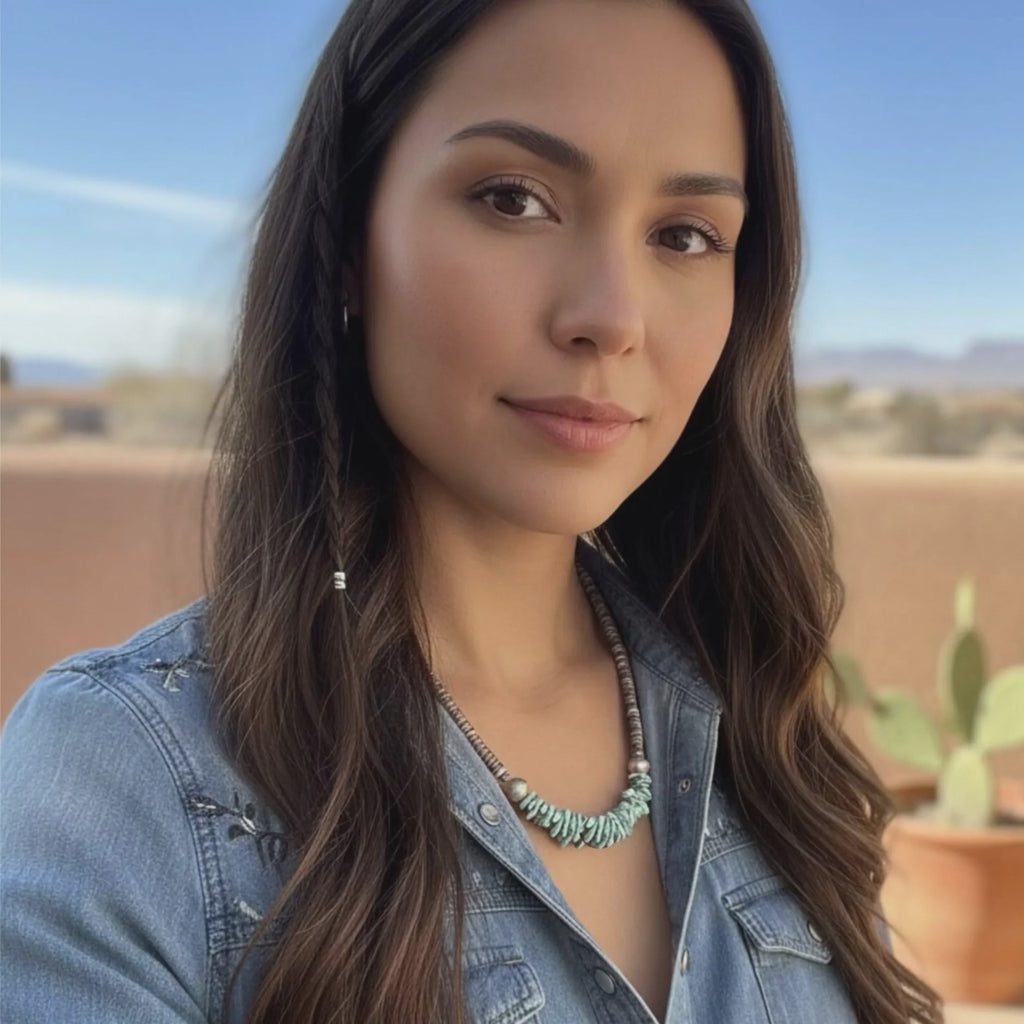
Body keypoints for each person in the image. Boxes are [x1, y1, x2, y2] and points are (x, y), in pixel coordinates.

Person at [0, 1, 943, 1022]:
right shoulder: (123, 777)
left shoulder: (762, 721)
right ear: (350, 235)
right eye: (513, 198)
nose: (611, 317)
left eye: (684, 234)